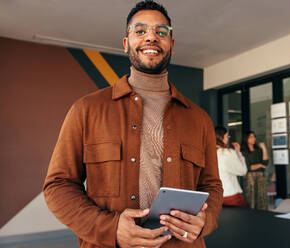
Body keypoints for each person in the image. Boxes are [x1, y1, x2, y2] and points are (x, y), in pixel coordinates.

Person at [43, 1, 223, 248]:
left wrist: (205, 220)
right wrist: (111, 228)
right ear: (126, 43)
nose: (151, 37)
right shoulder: (86, 109)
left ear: (171, 43)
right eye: (140, 31)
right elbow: (58, 186)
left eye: (161, 32)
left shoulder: (199, 118)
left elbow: (211, 185)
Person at [215, 126, 249, 207]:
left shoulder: (207, 152)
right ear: (221, 137)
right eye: (227, 136)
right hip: (229, 194)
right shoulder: (227, 153)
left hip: (214, 196)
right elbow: (243, 171)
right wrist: (238, 153)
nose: (228, 138)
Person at [241, 131, 269, 210]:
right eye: (251, 137)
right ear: (246, 139)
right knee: (251, 197)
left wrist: (264, 148)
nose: (254, 139)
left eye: (254, 136)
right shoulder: (243, 152)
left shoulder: (258, 150)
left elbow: (265, 162)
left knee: (262, 197)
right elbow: (248, 167)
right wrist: (260, 165)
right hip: (250, 177)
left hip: (260, 175)